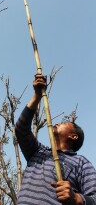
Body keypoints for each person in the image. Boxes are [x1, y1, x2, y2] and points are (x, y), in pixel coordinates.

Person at [15, 74, 96, 205]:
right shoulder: (37, 152)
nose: (57, 123)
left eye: (64, 123)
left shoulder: (81, 162)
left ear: (73, 136)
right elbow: (21, 129)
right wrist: (37, 96)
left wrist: (76, 198)